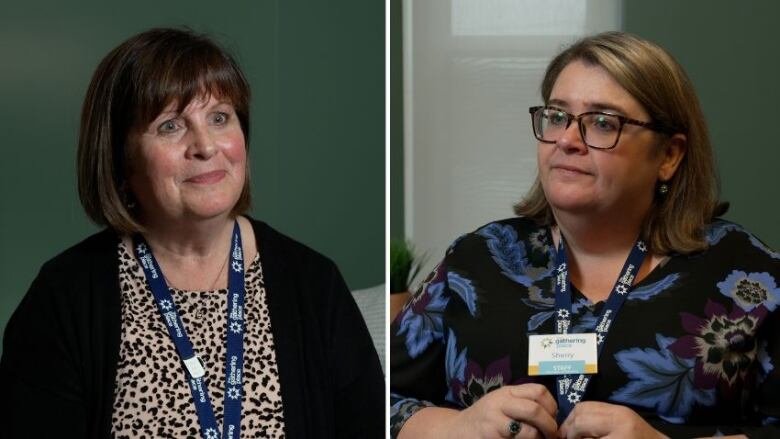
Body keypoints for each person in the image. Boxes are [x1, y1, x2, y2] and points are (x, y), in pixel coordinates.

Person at [390, 31, 780, 439]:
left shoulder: (751, 278)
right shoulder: (477, 260)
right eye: (557, 116)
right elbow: (369, 399)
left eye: (601, 122)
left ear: (668, 155)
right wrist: (456, 428)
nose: (567, 140)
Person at [0, 28, 384, 438]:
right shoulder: (64, 298)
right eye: (170, 126)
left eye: (220, 117)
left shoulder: (313, 283)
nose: (205, 146)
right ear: (121, 160)